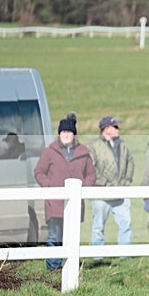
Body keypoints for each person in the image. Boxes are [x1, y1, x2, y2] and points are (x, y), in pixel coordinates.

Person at [33, 113, 96, 270]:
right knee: (54, 236)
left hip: (74, 205)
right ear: (59, 134)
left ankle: (68, 267)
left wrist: (83, 189)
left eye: (69, 132)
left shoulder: (83, 153)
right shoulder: (50, 152)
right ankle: (53, 269)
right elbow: (39, 172)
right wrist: (49, 187)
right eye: (63, 132)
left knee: (71, 238)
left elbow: (91, 174)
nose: (66, 135)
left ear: (74, 134)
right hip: (55, 204)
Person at [88, 115, 135, 252]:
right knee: (98, 227)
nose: (117, 129)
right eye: (115, 127)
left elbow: (130, 162)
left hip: (121, 192)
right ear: (106, 129)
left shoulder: (122, 145)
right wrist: (104, 182)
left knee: (126, 224)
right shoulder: (93, 146)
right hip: (101, 194)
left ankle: (124, 255)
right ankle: (97, 255)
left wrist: (126, 181)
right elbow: (90, 168)